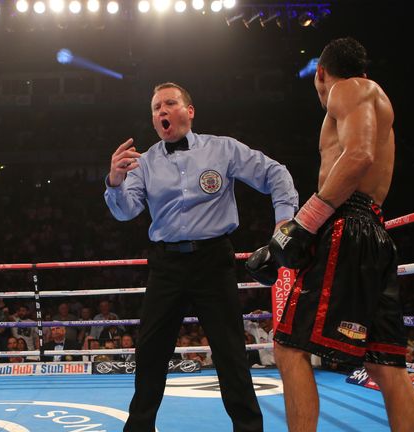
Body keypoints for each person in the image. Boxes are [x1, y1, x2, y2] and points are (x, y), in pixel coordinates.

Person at [249, 38, 414, 431]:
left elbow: (358, 156)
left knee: (289, 347)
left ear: (321, 73)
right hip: (372, 229)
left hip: (347, 226)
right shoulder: (374, 99)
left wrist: (303, 224)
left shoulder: (350, 89)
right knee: (386, 364)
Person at [105, 82, 298, 432]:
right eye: (155, 108)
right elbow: (125, 211)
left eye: (169, 103)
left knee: (230, 354)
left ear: (189, 111)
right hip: (167, 264)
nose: (161, 111)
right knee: (150, 354)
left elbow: (275, 173)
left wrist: (283, 222)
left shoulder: (222, 149)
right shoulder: (144, 163)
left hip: (213, 260)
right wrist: (115, 182)